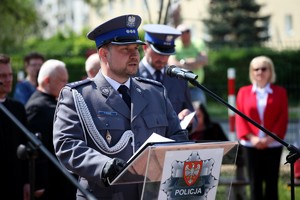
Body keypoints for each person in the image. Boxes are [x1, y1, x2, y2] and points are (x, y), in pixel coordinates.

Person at [52, 14, 189, 200]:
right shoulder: (79, 96)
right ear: (103, 54)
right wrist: (103, 166)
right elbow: (67, 146)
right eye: (125, 49)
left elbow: (177, 135)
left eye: (136, 48)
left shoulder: (155, 92)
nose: (134, 55)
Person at [235, 55, 288, 200]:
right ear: (251, 72)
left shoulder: (280, 92)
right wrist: (252, 138)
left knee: (271, 184)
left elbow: (283, 118)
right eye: (256, 69)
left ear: (270, 71)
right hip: (251, 145)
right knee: (254, 184)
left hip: (273, 144)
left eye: (263, 69)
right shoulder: (243, 92)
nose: (260, 72)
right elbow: (240, 118)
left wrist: (269, 139)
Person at [25, 59, 76, 200]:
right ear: (47, 81)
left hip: (63, 177)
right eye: (62, 81)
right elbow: (37, 147)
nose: (66, 86)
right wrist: (39, 183)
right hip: (52, 182)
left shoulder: (53, 101)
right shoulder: (36, 107)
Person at [137, 24, 195, 124]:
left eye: (167, 53)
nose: (163, 59)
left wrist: (189, 120)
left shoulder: (179, 78)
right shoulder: (131, 77)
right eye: (159, 53)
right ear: (145, 47)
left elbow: (191, 112)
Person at [0, 54, 29, 199]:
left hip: (15, 183)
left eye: (10, 75)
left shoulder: (17, 108)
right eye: (3, 76)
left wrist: (26, 182)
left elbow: (25, 144)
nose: (8, 79)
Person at [168, 23, 208, 106]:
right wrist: (194, 63)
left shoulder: (198, 43)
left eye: (187, 31)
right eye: (181, 32)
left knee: (200, 115)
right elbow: (171, 64)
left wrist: (183, 62)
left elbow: (204, 60)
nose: (184, 34)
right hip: (178, 88)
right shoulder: (174, 44)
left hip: (195, 87)